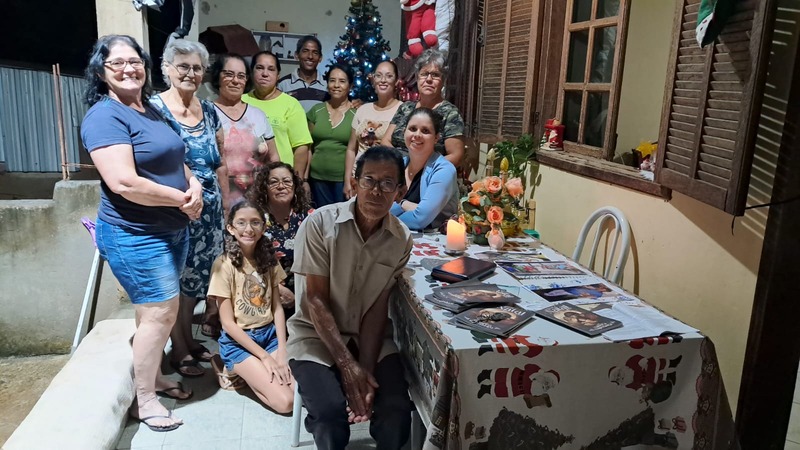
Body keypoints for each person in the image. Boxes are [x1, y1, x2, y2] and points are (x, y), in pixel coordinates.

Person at [81, 34, 199, 432]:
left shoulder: (148, 109)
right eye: (117, 63)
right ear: (101, 72)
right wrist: (183, 200)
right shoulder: (104, 117)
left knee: (154, 314)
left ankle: (154, 377)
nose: (128, 69)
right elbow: (124, 183)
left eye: (135, 61)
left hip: (171, 230)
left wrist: (194, 185)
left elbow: (176, 158)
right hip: (136, 234)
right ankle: (144, 400)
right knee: (159, 314)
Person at [287, 146, 414, 450]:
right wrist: (347, 366)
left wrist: (364, 371)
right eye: (369, 180)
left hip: (369, 337)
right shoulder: (319, 224)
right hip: (315, 337)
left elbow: (377, 307)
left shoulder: (401, 239)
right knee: (330, 415)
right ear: (354, 183)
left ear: (399, 192)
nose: (376, 191)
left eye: (387, 183)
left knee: (396, 411)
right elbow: (315, 300)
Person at [150, 39, 225, 377]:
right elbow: (155, 161)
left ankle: (188, 339)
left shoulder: (208, 110)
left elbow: (218, 161)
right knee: (178, 281)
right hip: (176, 210)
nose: (190, 73)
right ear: (167, 68)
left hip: (210, 211)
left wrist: (225, 206)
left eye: (197, 68)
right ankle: (178, 347)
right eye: (183, 66)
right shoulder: (154, 109)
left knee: (198, 280)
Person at [206, 200, 294, 413]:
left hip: (269, 336)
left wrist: (282, 349)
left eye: (255, 222)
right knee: (286, 403)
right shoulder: (223, 265)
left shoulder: (269, 259)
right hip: (238, 341)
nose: (248, 229)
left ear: (263, 227)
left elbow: (277, 308)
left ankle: (256, 370)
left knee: (298, 391)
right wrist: (265, 358)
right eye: (241, 223)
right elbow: (228, 324)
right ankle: (228, 366)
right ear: (230, 228)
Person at [247, 161, 314, 312]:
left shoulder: (310, 217)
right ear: (264, 188)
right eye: (273, 182)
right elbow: (246, 262)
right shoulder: (254, 219)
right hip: (264, 291)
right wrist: (277, 289)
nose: (281, 186)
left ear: (295, 186)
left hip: (305, 295)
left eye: (287, 181)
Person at [381, 48, 465, 166]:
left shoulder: (450, 113)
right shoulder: (405, 108)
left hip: (429, 172)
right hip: (397, 168)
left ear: (443, 80)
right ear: (417, 77)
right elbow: (385, 141)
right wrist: (401, 164)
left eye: (435, 75)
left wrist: (420, 168)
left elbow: (456, 155)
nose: (429, 79)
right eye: (424, 74)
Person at [242, 51, 312, 188]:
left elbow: (301, 148)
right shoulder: (241, 101)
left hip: (280, 183)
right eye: (259, 68)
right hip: (245, 181)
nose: (265, 73)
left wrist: (296, 183)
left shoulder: (291, 104)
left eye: (271, 69)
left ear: (278, 75)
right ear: (251, 72)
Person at [390, 108, 458, 231]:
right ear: (404, 132)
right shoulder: (398, 165)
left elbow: (419, 220)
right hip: (393, 235)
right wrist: (405, 206)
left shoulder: (444, 170)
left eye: (425, 131)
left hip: (432, 240)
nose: (417, 135)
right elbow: (380, 204)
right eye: (412, 129)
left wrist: (400, 203)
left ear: (436, 138)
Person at [343, 60, 402, 199]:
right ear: (373, 80)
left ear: (396, 81)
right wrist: (347, 180)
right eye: (378, 75)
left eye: (389, 76)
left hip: (384, 182)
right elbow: (351, 149)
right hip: (358, 178)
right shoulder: (363, 109)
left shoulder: (403, 110)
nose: (383, 80)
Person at [307, 64, 356, 207]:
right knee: (321, 217)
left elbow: (356, 149)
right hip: (316, 178)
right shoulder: (316, 110)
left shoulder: (357, 113)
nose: (336, 85)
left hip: (342, 181)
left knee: (342, 217)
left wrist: (348, 180)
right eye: (332, 80)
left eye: (342, 81)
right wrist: (304, 179)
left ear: (350, 86)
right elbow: (308, 147)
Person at [277, 35, 327, 112]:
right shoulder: (283, 84)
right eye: (305, 51)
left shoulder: (328, 84)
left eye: (315, 52)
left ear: (320, 58)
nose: (310, 56)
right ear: (297, 55)